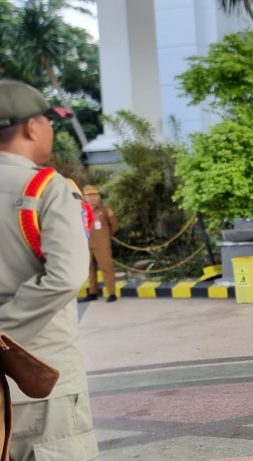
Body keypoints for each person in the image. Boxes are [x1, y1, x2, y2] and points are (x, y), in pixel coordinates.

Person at [0, 79, 100, 460]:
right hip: (41, 378)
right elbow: (66, 275)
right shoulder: (46, 188)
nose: (51, 129)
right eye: (47, 121)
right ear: (30, 127)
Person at [82, 185, 118, 302]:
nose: (92, 198)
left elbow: (114, 226)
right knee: (90, 270)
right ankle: (93, 292)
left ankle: (111, 293)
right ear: (84, 197)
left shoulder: (105, 209)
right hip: (86, 244)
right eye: (89, 195)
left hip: (102, 245)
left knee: (106, 268)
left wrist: (106, 237)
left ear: (99, 197)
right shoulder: (81, 210)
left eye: (95, 195)